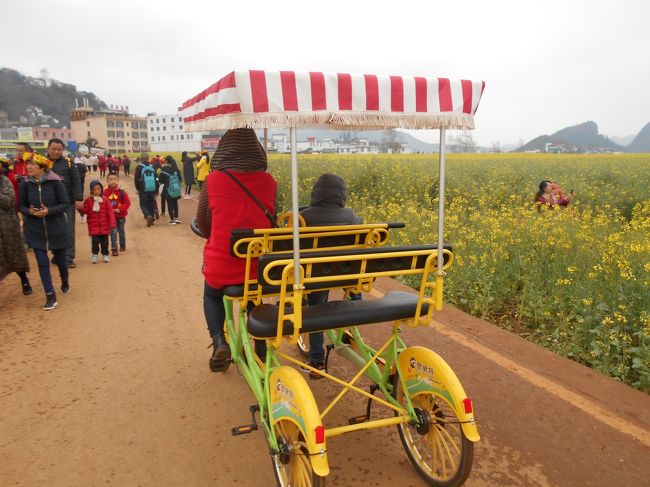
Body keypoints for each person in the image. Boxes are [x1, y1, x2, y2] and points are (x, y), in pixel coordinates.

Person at [196, 128, 277, 372]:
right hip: (258, 265)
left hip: (223, 264)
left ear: (223, 151)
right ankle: (260, 343)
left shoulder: (213, 180)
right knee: (254, 294)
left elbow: (203, 222)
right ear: (258, 153)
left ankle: (219, 342)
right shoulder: (269, 182)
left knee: (212, 295)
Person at [299, 174, 363, 378]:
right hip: (346, 275)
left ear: (316, 193)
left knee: (316, 305)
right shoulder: (351, 216)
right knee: (343, 286)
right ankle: (356, 301)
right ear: (342, 194)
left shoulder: (303, 217)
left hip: (314, 277)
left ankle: (316, 360)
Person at [18, 153, 70, 310]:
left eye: (33, 164)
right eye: (28, 163)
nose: (29, 166)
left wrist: (49, 211)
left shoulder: (56, 182)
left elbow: (65, 204)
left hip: (56, 228)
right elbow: (21, 205)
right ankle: (50, 295)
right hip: (36, 230)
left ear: (42, 166)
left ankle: (65, 280)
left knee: (61, 261)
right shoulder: (25, 184)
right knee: (42, 262)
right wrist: (30, 212)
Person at [48, 138, 83, 268]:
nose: (56, 152)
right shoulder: (42, 164)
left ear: (63, 150)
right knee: (53, 230)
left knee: (68, 230)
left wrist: (78, 198)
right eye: (54, 149)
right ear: (48, 149)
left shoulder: (68, 162)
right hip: (50, 203)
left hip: (68, 201)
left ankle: (68, 257)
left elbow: (76, 180)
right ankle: (57, 254)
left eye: (59, 149)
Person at [0, 162, 32, 295]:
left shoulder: (4, 181)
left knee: (15, 255)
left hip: (7, 226)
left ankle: (24, 280)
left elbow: (10, 201)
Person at [78, 180, 116, 263]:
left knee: (105, 243)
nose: (96, 191)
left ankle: (105, 255)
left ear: (101, 189)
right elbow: (85, 210)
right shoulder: (88, 201)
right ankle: (95, 255)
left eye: (98, 189)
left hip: (105, 226)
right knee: (95, 242)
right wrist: (79, 207)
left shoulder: (105, 200)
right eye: (94, 189)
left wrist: (112, 223)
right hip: (94, 226)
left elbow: (110, 211)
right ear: (91, 190)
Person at [104, 173, 131, 255]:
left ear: (118, 180)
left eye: (115, 179)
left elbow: (127, 203)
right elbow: (103, 203)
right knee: (113, 231)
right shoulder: (105, 193)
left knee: (121, 231)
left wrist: (119, 209)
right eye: (110, 179)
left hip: (121, 216)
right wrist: (109, 210)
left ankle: (122, 245)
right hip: (111, 216)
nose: (113, 181)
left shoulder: (122, 192)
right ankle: (114, 248)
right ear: (107, 181)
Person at [134, 154, 159, 226]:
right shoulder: (153, 166)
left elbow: (136, 179)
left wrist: (138, 188)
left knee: (143, 204)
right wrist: (156, 189)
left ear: (141, 159)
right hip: (152, 188)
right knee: (151, 203)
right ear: (148, 158)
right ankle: (152, 219)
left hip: (143, 189)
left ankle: (148, 216)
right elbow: (156, 179)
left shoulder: (139, 167)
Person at [158, 155, 183, 225]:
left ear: (166, 161)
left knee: (169, 203)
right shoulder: (175, 169)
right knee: (175, 203)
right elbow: (180, 179)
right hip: (176, 188)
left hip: (168, 189)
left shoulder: (164, 169)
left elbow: (161, 180)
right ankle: (177, 218)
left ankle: (172, 220)